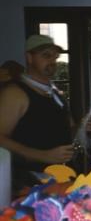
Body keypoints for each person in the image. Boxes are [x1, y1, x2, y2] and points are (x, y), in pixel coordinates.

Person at [0, 34, 75, 197]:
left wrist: (82, 127)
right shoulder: (15, 93)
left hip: (57, 178)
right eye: (46, 55)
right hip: (27, 183)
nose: (52, 61)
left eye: (55, 56)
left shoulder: (55, 93)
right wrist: (43, 155)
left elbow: (66, 128)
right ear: (29, 57)